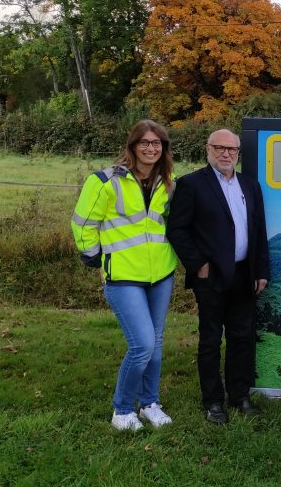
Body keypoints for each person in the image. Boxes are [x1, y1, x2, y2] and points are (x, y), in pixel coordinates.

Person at [70, 119, 177, 431]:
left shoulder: (168, 182)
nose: (150, 148)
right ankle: (122, 410)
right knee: (142, 344)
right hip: (123, 276)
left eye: (156, 143)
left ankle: (149, 403)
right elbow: (82, 223)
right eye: (144, 142)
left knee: (156, 343)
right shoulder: (105, 181)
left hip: (161, 273)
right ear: (132, 146)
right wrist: (96, 258)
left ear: (164, 148)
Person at [166, 129, 270, 425]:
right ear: (207, 149)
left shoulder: (250, 186)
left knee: (242, 337)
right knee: (211, 339)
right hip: (210, 275)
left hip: (244, 274)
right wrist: (198, 264)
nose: (226, 154)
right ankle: (213, 401)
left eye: (232, 149)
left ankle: (240, 395)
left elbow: (259, 231)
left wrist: (261, 270)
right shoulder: (191, 184)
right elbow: (177, 229)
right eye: (219, 148)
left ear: (239, 154)